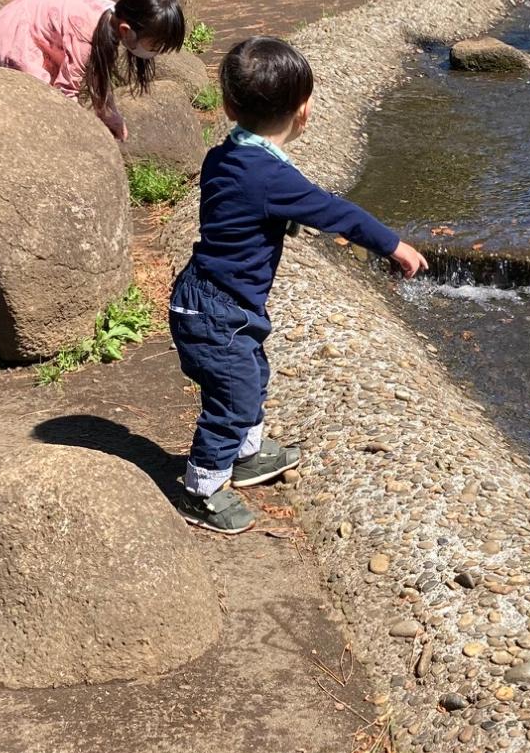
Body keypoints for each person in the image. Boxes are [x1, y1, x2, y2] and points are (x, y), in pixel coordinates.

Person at [169, 36, 427, 533]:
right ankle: (201, 488)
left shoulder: (225, 156)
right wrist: (394, 246)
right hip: (218, 310)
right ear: (303, 112)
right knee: (233, 398)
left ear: (227, 105)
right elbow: (339, 213)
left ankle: (246, 453)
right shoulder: (272, 179)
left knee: (252, 375)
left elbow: (240, 212)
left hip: (214, 301)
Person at [0, 0, 185, 139]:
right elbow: (66, 91)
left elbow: (97, 73)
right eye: (155, 47)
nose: (156, 53)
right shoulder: (86, 34)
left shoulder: (112, 16)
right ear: (126, 31)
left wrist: (109, 115)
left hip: (31, 27)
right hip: (12, 33)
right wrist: (79, 135)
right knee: (41, 100)